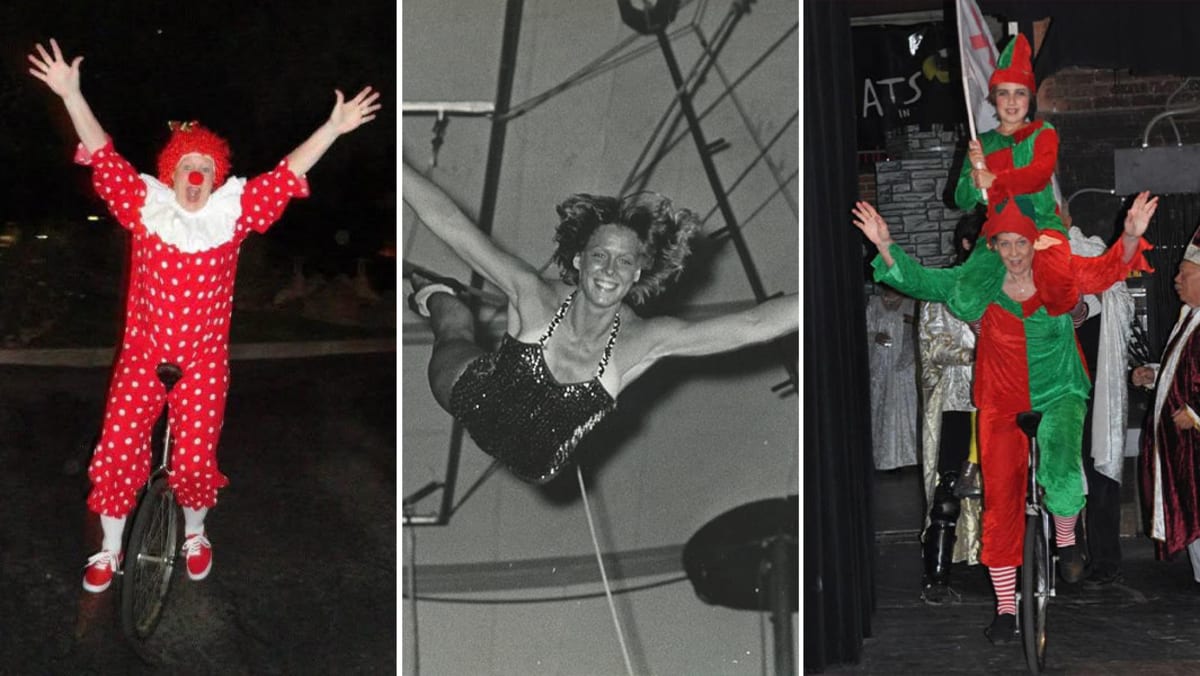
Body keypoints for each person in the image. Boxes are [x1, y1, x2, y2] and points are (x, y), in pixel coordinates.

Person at [27, 38, 381, 593]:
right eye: (187, 166)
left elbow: (288, 173)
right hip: (143, 356)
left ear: (217, 179)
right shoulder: (147, 209)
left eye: (206, 168)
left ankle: (195, 533)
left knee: (193, 459)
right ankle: (110, 547)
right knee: (118, 450)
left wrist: (333, 128)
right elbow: (103, 154)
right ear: (170, 174)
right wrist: (72, 94)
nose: (196, 175)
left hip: (203, 362)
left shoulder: (232, 216)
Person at [852, 192, 1155, 645]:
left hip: (1059, 390)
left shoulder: (1057, 270)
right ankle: (1007, 608)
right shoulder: (983, 282)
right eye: (1005, 244)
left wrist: (1130, 236)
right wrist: (885, 244)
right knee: (1001, 504)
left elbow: (1105, 272)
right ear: (992, 246)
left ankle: (1067, 539)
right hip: (1000, 399)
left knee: (1061, 471)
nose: (1014, 254)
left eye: (1022, 244)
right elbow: (924, 282)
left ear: (1036, 243)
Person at [402, 162, 798, 484]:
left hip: (537, 464)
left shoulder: (645, 339)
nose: (609, 270)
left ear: (638, 273)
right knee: (454, 324)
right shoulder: (534, 296)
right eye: (600, 256)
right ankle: (436, 292)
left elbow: (753, 323)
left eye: (625, 261)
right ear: (579, 260)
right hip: (474, 395)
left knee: (458, 323)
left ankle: (441, 295)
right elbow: (451, 222)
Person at [949, 34, 1079, 322]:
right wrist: (974, 177)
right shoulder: (980, 143)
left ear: (1029, 98)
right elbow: (960, 199)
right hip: (1000, 233)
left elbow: (1037, 176)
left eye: (1019, 93)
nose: (1011, 101)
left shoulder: (1042, 132)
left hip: (1041, 226)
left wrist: (994, 179)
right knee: (964, 300)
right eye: (1003, 93)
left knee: (1059, 296)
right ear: (993, 99)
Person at [918, 215, 984, 605]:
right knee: (949, 487)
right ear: (965, 245)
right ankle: (937, 575)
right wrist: (977, 353)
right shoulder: (941, 290)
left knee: (1005, 486)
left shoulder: (1003, 287)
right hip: (958, 402)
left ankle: (1005, 568)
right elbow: (934, 347)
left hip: (998, 401)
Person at [1068, 224, 1136, 588]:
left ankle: (1105, 559)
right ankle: (1065, 555)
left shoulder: (1098, 260)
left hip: (1098, 388)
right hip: (1059, 387)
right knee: (1061, 475)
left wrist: (1087, 304)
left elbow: (1123, 312)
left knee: (1100, 475)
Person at [1135, 223, 1200, 584]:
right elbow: (1186, 371)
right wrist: (1154, 375)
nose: (1176, 279)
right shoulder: (1189, 317)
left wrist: (1195, 414)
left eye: (1185, 273)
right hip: (1183, 449)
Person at [866, 285, 918, 471]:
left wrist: (914, 323)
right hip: (881, 365)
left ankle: (911, 458)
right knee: (884, 407)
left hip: (906, 364)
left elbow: (923, 331)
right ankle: (886, 460)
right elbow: (864, 331)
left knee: (908, 408)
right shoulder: (873, 304)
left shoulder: (912, 303)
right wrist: (875, 337)